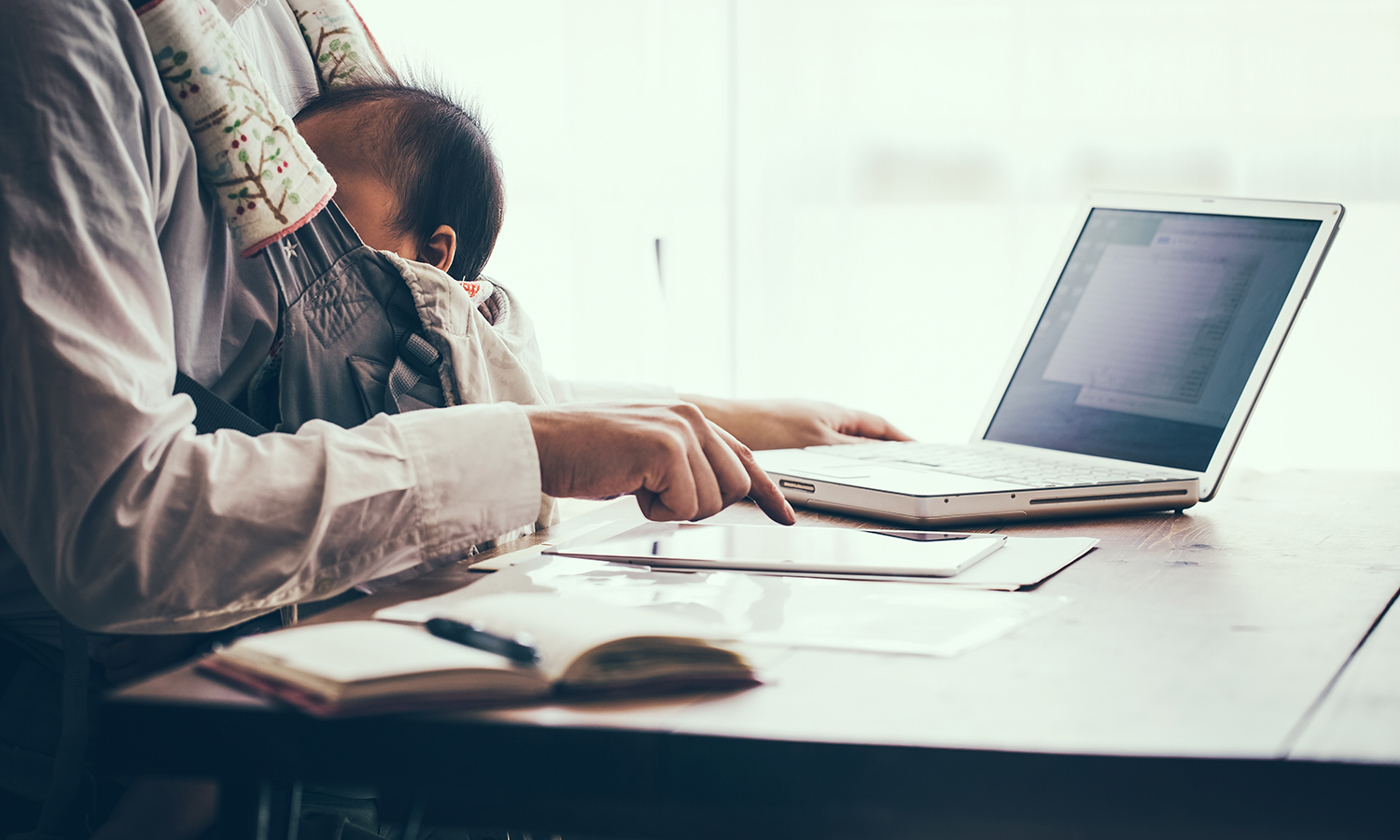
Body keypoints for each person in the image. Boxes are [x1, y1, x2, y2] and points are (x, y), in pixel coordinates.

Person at [0, 0, 908, 834]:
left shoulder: (298, 26)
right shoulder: (64, 37)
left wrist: (696, 418)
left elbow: (396, 383)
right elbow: (117, 525)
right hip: (148, 722)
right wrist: (532, 449)